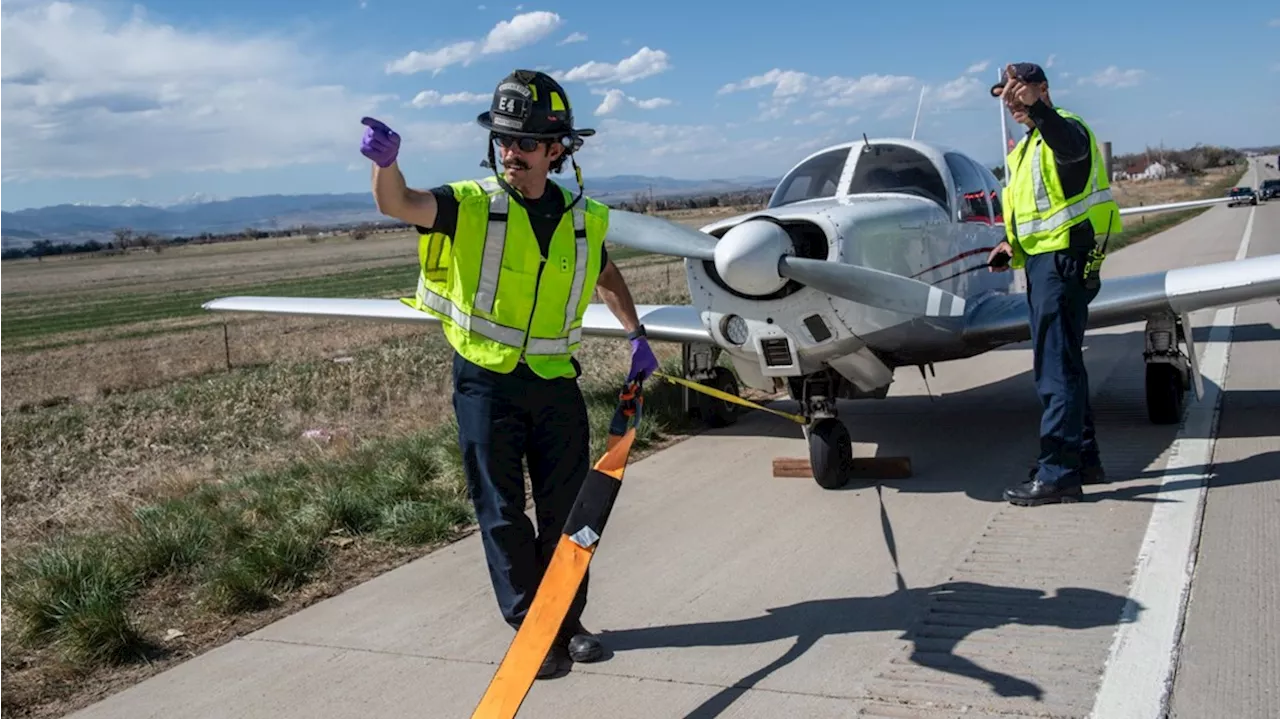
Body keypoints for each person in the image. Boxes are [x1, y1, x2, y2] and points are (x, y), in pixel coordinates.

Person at [358, 69, 659, 677]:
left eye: (524, 142)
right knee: (501, 511)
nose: (510, 152)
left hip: (554, 382)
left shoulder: (583, 215)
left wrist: (636, 335)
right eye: (503, 140)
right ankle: (531, 628)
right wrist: (386, 165)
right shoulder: (468, 205)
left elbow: (603, 273)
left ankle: (567, 623)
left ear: (556, 150)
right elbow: (398, 203)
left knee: (569, 513)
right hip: (485, 384)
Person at [986, 62, 1122, 507]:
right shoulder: (1026, 148)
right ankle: (1083, 460)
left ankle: (1058, 474)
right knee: (1065, 364)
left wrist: (1039, 110)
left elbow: (1070, 150)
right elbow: (1036, 213)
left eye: (1019, 91)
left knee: (1054, 370)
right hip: (1048, 262)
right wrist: (1011, 245)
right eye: (1006, 96)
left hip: (1063, 263)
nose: (1011, 101)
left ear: (1042, 89)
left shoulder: (1065, 131)